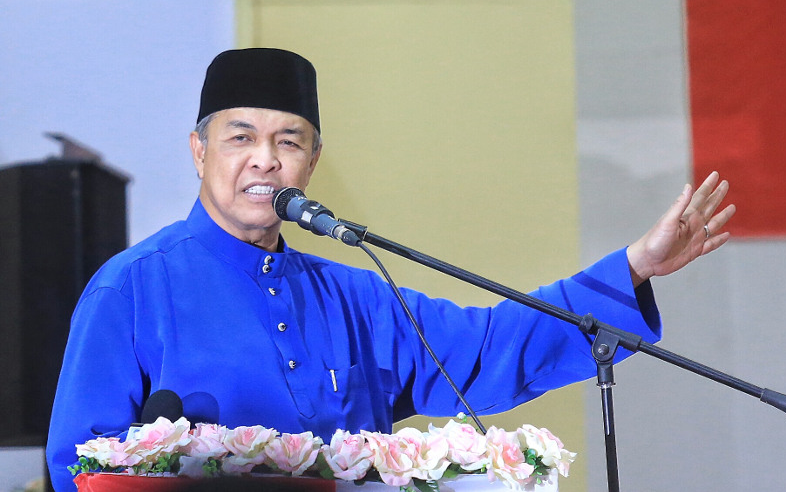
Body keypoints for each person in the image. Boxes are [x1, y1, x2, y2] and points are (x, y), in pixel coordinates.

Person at [45, 48, 735, 491]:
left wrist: (634, 268)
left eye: (289, 140)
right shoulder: (131, 289)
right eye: (240, 138)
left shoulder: (354, 292)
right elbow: (78, 465)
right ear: (199, 153)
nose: (265, 159)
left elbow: (484, 349)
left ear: (312, 160)